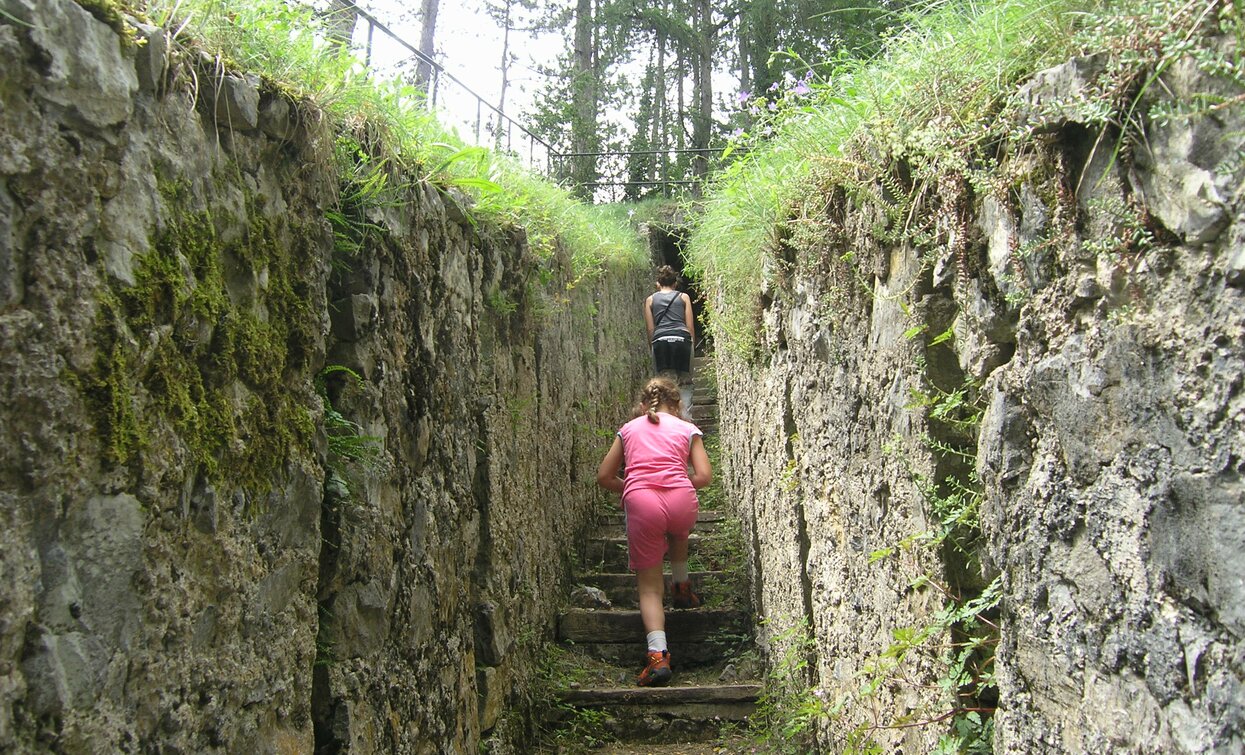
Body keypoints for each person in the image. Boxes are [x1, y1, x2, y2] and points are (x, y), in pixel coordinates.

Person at [596, 377, 713, 687]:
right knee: (677, 529)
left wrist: (632, 487)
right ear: (676, 404)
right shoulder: (688, 430)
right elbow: (704, 475)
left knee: (649, 588)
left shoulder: (629, 429)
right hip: (680, 501)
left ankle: (658, 656)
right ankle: (681, 587)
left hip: (642, 504)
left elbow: (604, 476)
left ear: (643, 404)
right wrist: (678, 483)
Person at [644, 266, 695, 415]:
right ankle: (685, 418)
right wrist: (690, 345)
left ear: (658, 283)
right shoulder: (684, 297)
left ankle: (665, 417)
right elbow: (690, 327)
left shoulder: (650, 300)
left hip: (660, 342)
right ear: (675, 284)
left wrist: (653, 347)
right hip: (682, 340)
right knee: (685, 383)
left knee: (662, 385)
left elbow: (650, 330)